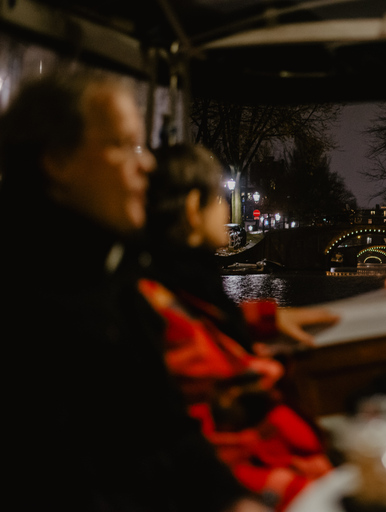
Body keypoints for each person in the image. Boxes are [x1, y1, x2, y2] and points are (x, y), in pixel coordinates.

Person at [0, 69, 266, 512]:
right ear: (58, 161)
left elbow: (164, 432)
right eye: (124, 145)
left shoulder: (115, 275)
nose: (146, 163)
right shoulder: (32, 306)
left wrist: (234, 501)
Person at [139, 144, 338, 511]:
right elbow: (211, 436)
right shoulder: (166, 311)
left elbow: (214, 321)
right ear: (192, 210)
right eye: (219, 195)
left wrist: (266, 318)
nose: (228, 206)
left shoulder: (184, 290)